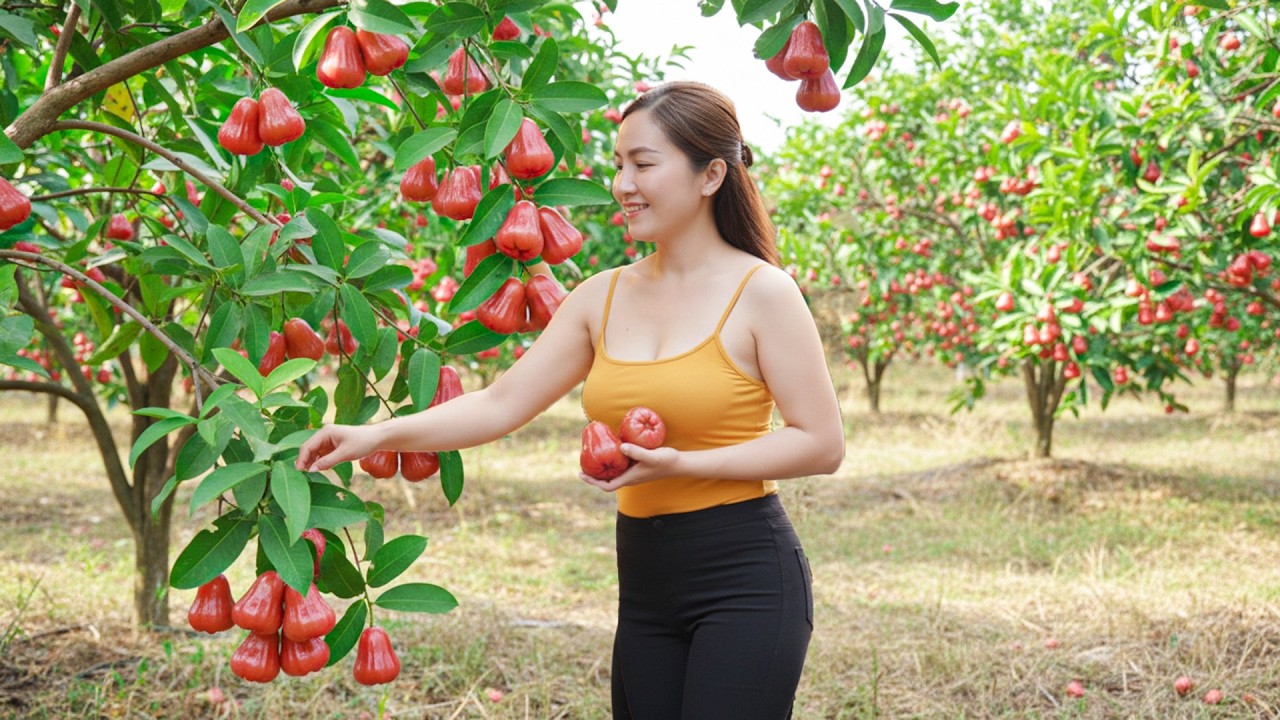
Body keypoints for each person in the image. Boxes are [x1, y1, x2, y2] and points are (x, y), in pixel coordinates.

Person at [296, 81, 845, 719]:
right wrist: (374, 435)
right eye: (617, 165)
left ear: (711, 174)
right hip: (645, 584)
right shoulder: (600, 297)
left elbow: (821, 443)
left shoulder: (764, 293)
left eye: (643, 164)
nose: (621, 184)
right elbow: (502, 402)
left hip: (745, 578)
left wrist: (684, 464)